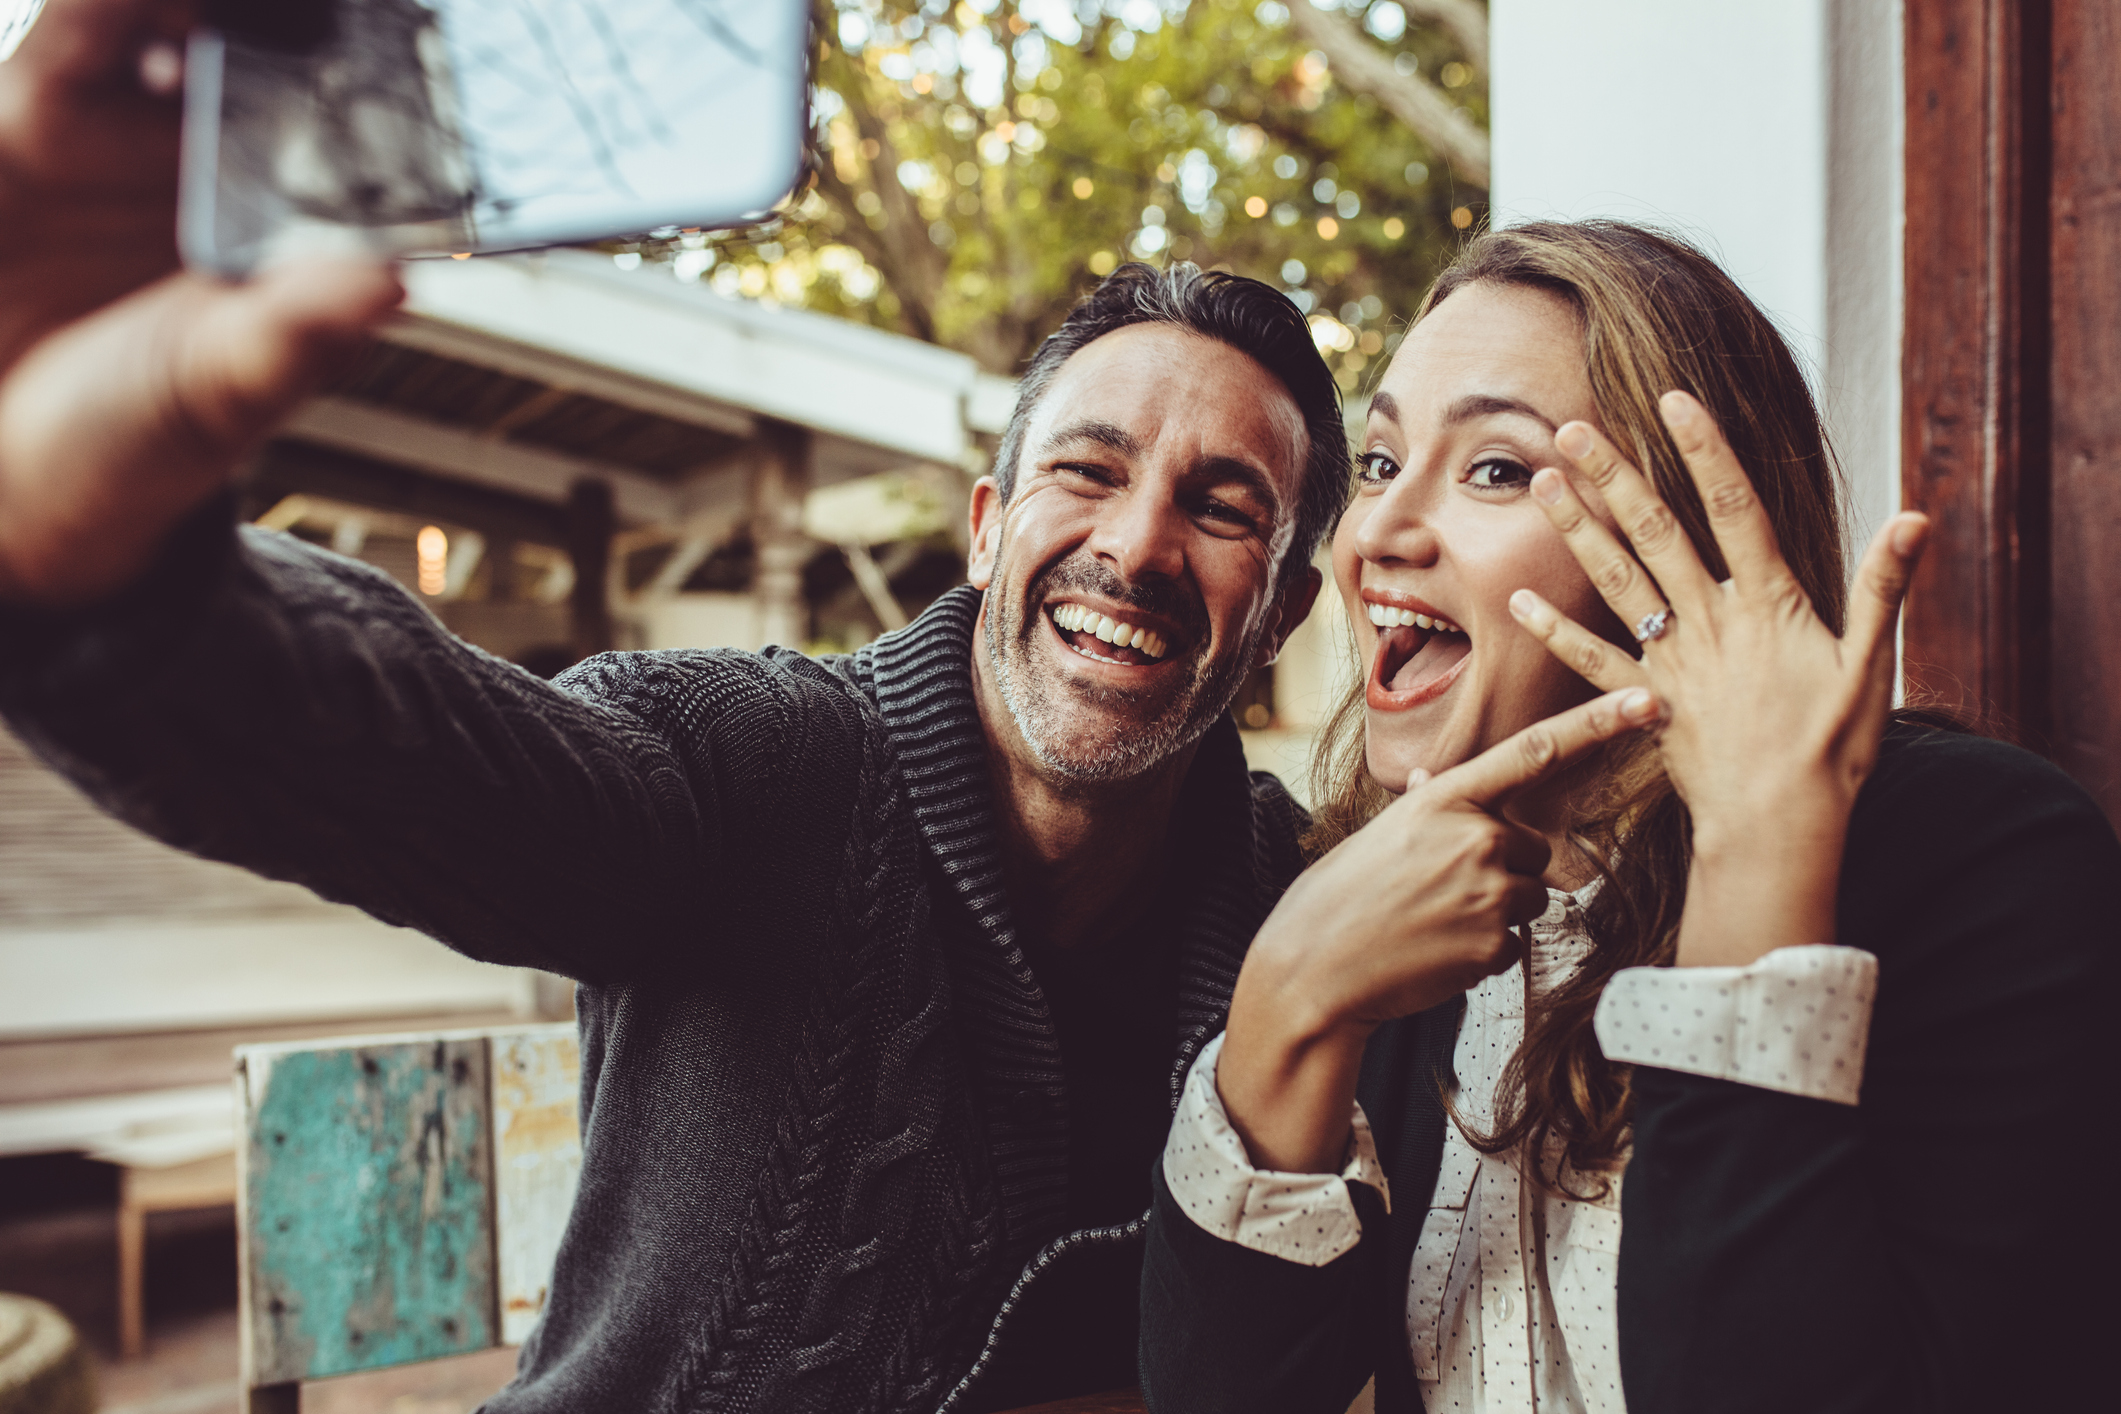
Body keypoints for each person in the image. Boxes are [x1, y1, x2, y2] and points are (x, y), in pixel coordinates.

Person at [0, 4, 1665, 1409]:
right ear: (989, 525)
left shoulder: (1302, 904)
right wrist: (96, 561)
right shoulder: (749, 758)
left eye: (1225, 506)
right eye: (1084, 471)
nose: (1137, 542)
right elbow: (427, 758)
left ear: (1289, 602)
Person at [1138, 221, 2119, 1413]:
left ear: (1685, 541)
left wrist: (1763, 847)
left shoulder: (1984, 853)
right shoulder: (1398, 902)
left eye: (1496, 468)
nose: (1374, 535)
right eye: (1385, 462)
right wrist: (1287, 999)